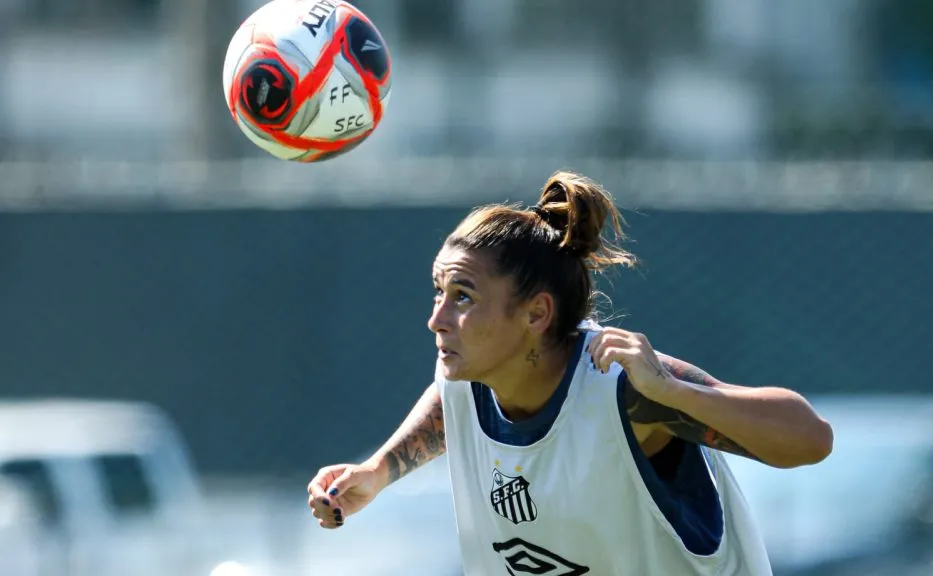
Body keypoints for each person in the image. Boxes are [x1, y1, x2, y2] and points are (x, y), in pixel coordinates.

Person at [307, 170, 833, 575]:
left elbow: (811, 439)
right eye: (438, 292)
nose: (436, 318)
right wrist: (377, 471)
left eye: (462, 296)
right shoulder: (467, 379)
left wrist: (672, 392)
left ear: (536, 314)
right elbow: (450, 402)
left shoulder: (624, 393)